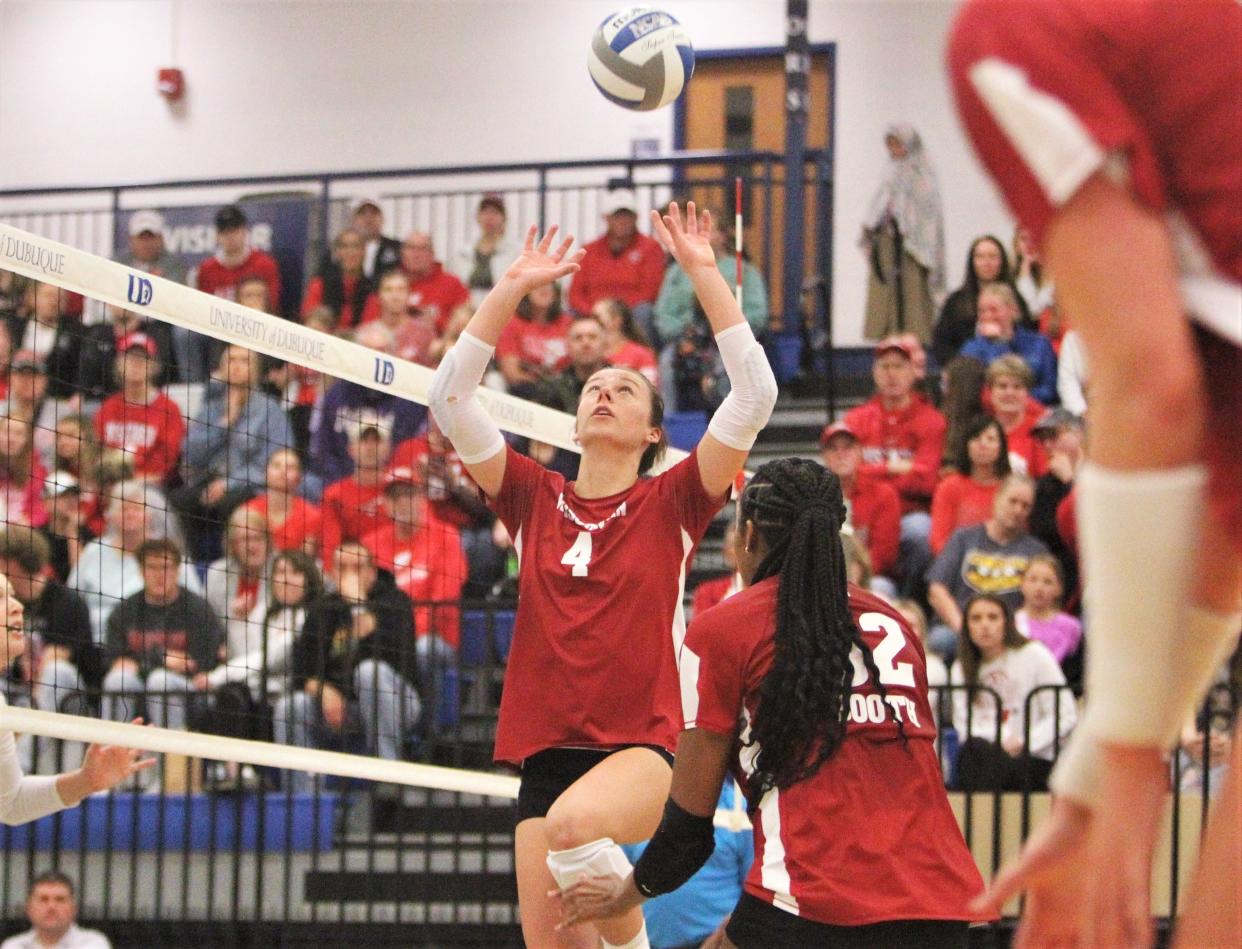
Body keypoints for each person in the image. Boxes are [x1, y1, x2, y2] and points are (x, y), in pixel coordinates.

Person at [949, 1, 1242, 931]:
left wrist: (1122, 762)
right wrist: (1094, 780)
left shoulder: (1015, 33)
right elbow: (1219, 528)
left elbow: (1150, 391)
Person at [428, 207, 775, 949]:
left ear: (655, 430)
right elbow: (449, 401)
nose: (604, 391)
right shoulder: (532, 497)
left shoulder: (672, 499)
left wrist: (705, 272)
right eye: (593, 386)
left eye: (625, 386)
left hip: (644, 750)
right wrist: (511, 287)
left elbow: (754, 396)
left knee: (576, 827)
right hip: (546, 757)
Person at [554, 458, 988, 946]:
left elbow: (688, 830)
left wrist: (623, 897)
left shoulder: (725, 628)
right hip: (938, 899)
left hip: (816, 897)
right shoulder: (894, 622)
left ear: (749, 535)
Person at [276, 541, 422, 793]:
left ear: (371, 572)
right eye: (342, 568)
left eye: (357, 568)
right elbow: (301, 668)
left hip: (396, 702)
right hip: (343, 708)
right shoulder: (323, 608)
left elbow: (393, 657)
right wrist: (323, 691)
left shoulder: (395, 602)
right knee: (289, 706)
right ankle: (303, 800)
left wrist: (357, 604)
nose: (350, 575)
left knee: (368, 672)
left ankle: (388, 777)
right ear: (332, 573)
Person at [842, 339, 946, 597]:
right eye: (884, 366)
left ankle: (912, 600)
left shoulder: (931, 420)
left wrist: (872, 471)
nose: (891, 374)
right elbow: (846, 471)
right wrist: (896, 468)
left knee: (920, 530)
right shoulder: (856, 419)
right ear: (875, 373)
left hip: (908, 514)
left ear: (913, 372)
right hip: (866, 512)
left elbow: (926, 481)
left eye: (899, 366)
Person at [173, 344, 293, 562]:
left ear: (254, 369)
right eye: (232, 360)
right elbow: (191, 451)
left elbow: (271, 464)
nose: (237, 367)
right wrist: (224, 423)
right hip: (208, 479)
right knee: (181, 500)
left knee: (230, 503)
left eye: (244, 361)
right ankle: (191, 565)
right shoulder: (211, 406)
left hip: (248, 485)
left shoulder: (270, 410)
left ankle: (230, 564)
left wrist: (229, 483)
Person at [950, 594, 1076, 793]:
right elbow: (964, 724)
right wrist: (999, 744)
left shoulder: (1034, 654)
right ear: (967, 626)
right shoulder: (960, 668)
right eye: (976, 618)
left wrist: (1024, 742)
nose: (984, 625)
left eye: (992, 617)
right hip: (986, 755)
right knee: (973, 751)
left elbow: (1065, 714)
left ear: (1007, 622)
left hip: (1034, 757)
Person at [101, 538, 223, 740]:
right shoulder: (124, 612)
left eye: (166, 567)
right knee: (118, 680)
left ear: (177, 571)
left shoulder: (198, 610)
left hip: (189, 691)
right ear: (141, 571)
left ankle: (168, 765)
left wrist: (141, 662)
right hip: (138, 686)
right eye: (152, 568)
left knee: (161, 681)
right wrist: (163, 659)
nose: (160, 575)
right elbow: (115, 663)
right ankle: (111, 752)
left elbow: (203, 663)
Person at [361, 466, 466, 680]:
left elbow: (443, 602)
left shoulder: (446, 536)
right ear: (386, 504)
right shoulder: (370, 544)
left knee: (424, 648)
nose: (402, 503)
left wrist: (401, 638)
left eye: (409, 494)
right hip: (385, 641)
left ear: (421, 498)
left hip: (434, 639)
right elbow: (364, 599)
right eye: (395, 497)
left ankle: (427, 713)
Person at [926, 474, 1047, 661]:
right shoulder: (963, 539)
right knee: (940, 640)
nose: (1017, 510)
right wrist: (964, 628)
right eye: (1012, 501)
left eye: (1025, 506)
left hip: (1011, 633)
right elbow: (936, 589)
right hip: (960, 629)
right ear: (997, 498)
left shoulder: (1035, 551)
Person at [621, 780, 753, 949]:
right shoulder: (639, 805)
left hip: (714, 941)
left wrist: (721, 939)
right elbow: (613, 875)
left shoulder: (739, 810)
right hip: (640, 941)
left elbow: (753, 893)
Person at [68, 478, 202, 643]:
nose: (130, 515)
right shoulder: (93, 551)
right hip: (91, 641)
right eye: (123, 509)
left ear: (149, 516)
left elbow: (195, 605)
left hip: (147, 642)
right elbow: (72, 598)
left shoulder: (168, 553)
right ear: (109, 516)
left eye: (136, 509)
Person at [310, 321, 426, 487]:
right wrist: (348, 487)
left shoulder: (409, 400)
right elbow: (324, 451)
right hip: (342, 485)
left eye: (381, 352)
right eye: (368, 352)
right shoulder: (337, 395)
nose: (375, 360)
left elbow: (411, 451)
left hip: (393, 488)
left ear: (393, 356)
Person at [861, 123, 946, 343]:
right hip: (887, 244)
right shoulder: (889, 171)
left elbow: (926, 212)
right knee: (885, 295)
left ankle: (914, 341)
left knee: (911, 297)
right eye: (890, 144)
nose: (894, 149)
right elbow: (879, 203)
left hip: (912, 249)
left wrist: (907, 225)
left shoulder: (922, 174)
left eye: (898, 144)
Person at [190, 205, 282, 380]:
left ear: (245, 231)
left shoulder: (264, 264)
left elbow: (272, 305)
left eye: (235, 230)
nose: (230, 236)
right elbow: (201, 310)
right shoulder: (207, 269)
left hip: (257, 326)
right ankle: (199, 385)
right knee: (185, 333)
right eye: (225, 232)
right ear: (217, 235)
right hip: (218, 329)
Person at [92, 333, 183, 486]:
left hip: (148, 486)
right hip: (107, 484)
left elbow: (167, 463)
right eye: (130, 358)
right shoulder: (108, 407)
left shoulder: (169, 409)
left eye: (143, 358)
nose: (136, 363)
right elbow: (96, 451)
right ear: (119, 364)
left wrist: (132, 481)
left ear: (154, 366)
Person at [818, 421, 901, 586]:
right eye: (833, 448)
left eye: (848, 447)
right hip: (824, 576)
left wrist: (859, 570)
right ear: (824, 456)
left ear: (860, 452)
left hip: (870, 577)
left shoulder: (882, 494)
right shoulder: (814, 494)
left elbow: (885, 556)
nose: (841, 455)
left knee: (881, 586)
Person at [570, 190, 666, 327]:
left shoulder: (650, 248)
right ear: (606, 218)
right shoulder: (589, 249)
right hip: (592, 312)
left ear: (636, 218)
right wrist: (594, 312)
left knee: (644, 311)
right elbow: (575, 293)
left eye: (627, 215)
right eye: (617, 216)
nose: (623, 221)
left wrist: (616, 313)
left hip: (630, 315)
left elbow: (649, 292)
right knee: (568, 314)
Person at [931, 235, 1029, 366]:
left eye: (992, 257)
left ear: (1002, 262)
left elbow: (1028, 336)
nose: (987, 262)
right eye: (980, 257)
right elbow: (941, 345)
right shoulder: (955, 302)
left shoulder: (1017, 299)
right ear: (972, 262)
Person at [960, 282, 1057, 405]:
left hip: (1034, 411)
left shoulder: (1040, 343)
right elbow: (970, 392)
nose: (987, 316)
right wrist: (998, 344)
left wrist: (1018, 399)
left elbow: (1049, 389)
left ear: (1013, 310)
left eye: (993, 310)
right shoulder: (971, 349)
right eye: (982, 311)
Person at [319, 411, 393, 566]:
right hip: (353, 569)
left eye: (377, 441)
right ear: (350, 449)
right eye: (363, 440)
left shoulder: (401, 489)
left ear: (388, 448)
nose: (370, 447)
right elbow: (330, 550)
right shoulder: (334, 495)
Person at [930, 416, 1010, 555]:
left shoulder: (1011, 487)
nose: (983, 444)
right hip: (957, 561)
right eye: (976, 438)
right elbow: (939, 540)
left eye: (991, 439)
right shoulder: (949, 486)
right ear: (967, 445)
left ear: (1001, 447)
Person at [0, 870, 112, 949]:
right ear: (29, 908)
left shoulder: (94, 943)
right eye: (43, 899)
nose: (51, 907)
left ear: (74, 908)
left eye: (60, 899)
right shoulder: (13, 946)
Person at [494, 282, 572, 394]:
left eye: (549, 283)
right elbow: (512, 374)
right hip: (529, 391)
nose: (544, 287)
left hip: (568, 388)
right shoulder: (512, 324)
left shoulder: (568, 322)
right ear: (525, 292)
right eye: (537, 284)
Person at [244, 448, 322, 558]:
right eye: (276, 466)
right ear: (265, 473)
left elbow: (306, 561)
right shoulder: (248, 511)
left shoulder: (312, 516)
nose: (283, 471)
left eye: (290, 468)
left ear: (299, 477)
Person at [450, 194, 521, 306]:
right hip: (467, 309)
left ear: (504, 218)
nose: (489, 218)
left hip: (502, 308)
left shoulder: (516, 252)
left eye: (495, 213)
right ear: (478, 217)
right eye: (485, 212)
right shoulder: (462, 253)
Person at [984, 355, 1047, 478]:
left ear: (1027, 393)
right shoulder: (979, 430)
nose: (1010, 393)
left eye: (1017, 387)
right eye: (1002, 386)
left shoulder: (1041, 432)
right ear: (990, 392)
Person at [301, 229, 377, 331]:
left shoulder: (373, 288)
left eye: (356, 246)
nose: (351, 252)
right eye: (344, 247)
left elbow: (370, 326)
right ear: (337, 252)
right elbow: (309, 319)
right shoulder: (320, 284)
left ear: (364, 251)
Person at [1014, 554, 1081, 666]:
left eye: (1047, 582)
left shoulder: (1071, 627)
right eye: (1033, 580)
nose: (1039, 588)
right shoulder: (1012, 623)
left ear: (1059, 588)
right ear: (1022, 584)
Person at [361, 269, 437, 365]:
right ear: (379, 296)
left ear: (409, 295)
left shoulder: (423, 333)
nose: (395, 296)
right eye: (388, 290)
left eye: (401, 290)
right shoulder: (365, 333)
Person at [399, 232, 470, 333]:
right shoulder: (390, 284)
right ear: (402, 253)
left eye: (422, 249)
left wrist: (435, 322)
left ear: (432, 253)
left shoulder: (452, 284)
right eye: (411, 248)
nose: (416, 254)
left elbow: (464, 325)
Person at [591, 298, 658, 384]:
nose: (592, 322)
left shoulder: (641, 355)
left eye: (597, 317)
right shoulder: (589, 353)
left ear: (616, 320)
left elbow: (649, 389)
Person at [0, 416, 48, 530]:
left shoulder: (36, 470)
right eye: (6, 431)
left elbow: (41, 508)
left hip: (20, 533)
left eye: (18, 434)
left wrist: (29, 521)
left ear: (26, 439)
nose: (11, 438)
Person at [349, 197, 402, 281]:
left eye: (374, 213)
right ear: (353, 220)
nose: (368, 219)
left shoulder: (397, 248)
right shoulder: (341, 249)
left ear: (382, 218)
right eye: (362, 213)